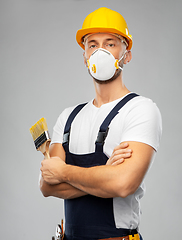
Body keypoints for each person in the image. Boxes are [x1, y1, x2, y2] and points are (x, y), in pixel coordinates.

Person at [40, 7, 162, 240]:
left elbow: (123, 184)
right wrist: (107, 174)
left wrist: (64, 172)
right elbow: (47, 187)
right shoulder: (68, 117)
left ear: (126, 54)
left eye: (110, 44)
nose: (100, 52)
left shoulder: (140, 110)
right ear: (85, 55)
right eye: (93, 45)